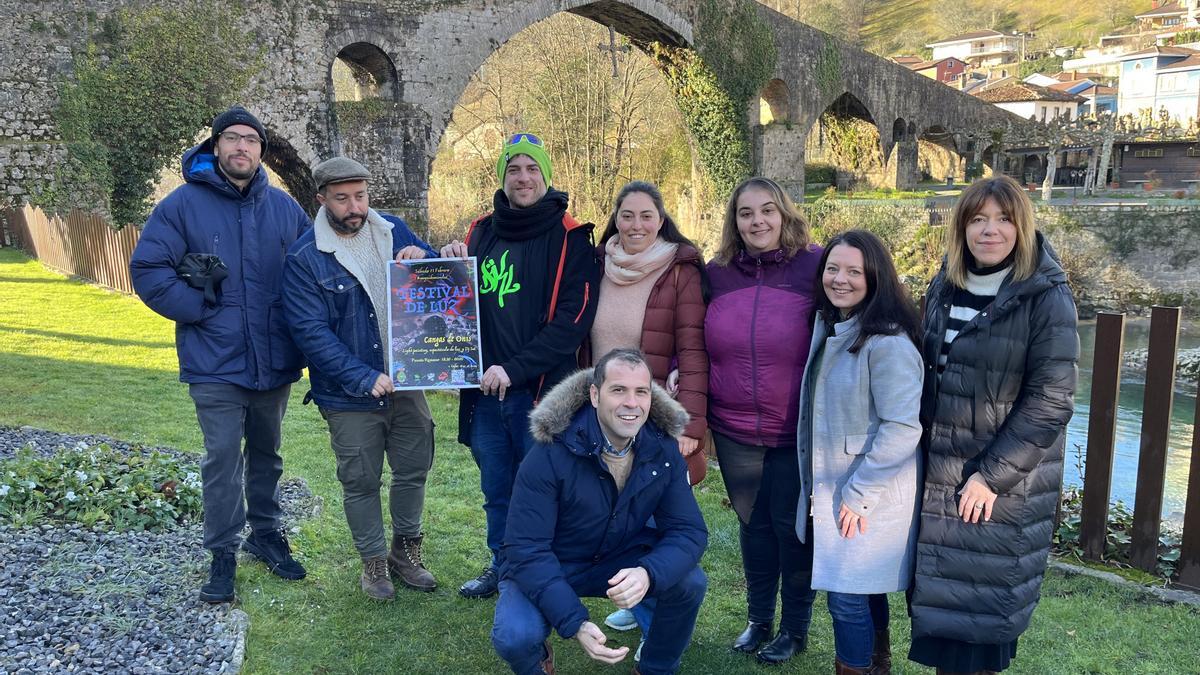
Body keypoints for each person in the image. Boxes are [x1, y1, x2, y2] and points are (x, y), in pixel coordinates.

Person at [130, 105, 310, 602]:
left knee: (268, 454)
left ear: (261, 151)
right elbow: (148, 270)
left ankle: (266, 534)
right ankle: (223, 551)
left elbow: (316, 269)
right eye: (232, 138)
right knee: (223, 457)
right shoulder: (182, 206)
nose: (241, 148)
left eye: (251, 140)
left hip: (272, 359)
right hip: (214, 361)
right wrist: (199, 308)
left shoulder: (284, 210)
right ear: (215, 147)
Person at [908, 175, 1078, 675]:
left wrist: (991, 476)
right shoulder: (947, 284)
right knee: (949, 618)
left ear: (1021, 226)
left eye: (1003, 219)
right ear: (962, 228)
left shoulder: (1045, 298)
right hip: (942, 475)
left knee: (977, 625)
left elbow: (1051, 400)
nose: (990, 230)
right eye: (978, 219)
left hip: (996, 486)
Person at [440, 133, 600, 599]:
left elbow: (573, 323)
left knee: (543, 491)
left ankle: (543, 573)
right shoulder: (480, 232)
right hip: (485, 395)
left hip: (540, 394)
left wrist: (514, 368)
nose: (523, 178)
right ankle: (503, 567)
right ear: (503, 176)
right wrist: (431, 259)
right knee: (497, 490)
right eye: (514, 169)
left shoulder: (570, 237)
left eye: (532, 169)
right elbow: (451, 299)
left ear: (545, 175)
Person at [490, 348, 708, 675]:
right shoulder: (550, 451)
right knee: (514, 636)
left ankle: (656, 668)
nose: (631, 403)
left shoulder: (662, 449)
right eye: (618, 390)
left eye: (641, 392)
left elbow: (689, 531)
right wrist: (575, 622)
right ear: (594, 395)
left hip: (619, 558)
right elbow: (525, 549)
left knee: (690, 581)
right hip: (553, 560)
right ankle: (536, 661)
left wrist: (648, 572)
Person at [281, 157, 438, 600]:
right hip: (349, 394)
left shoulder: (392, 229)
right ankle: (372, 565)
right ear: (321, 199)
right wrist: (363, 376)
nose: (355, 207)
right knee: (361, 480)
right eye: (342, 198)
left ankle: (406, 554)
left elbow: (436, 279)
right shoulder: (305, 257)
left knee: (413, 469)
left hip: (407, 382)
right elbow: (310, 332)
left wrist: (421, 256)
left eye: (361, 196)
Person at [582, 181, 710, 642]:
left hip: (653, 413)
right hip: (601, 413)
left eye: (646, 216)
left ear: (661, 220)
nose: (636, 225)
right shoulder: (597, 264)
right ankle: (636, 602)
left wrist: (689, 422)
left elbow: (693, 348)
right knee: (618, 516)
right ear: (615, 217)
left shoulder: (679, 269)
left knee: (659, 520)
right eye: (627, 215)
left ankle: (658, 633)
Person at [704, 177, 822, 664]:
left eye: (767, 210)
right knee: (753, 528)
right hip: (734, 428)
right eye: (746, 213)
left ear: (785, 213)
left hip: (795, 427)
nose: (758, 221)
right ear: (734, 221)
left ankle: (795, 628)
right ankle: (758, 620)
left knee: (791, 530)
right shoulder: (716, 274)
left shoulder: (814, 266)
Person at [796, 230, 923, 674]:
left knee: (846, 596)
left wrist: (858, 493)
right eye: (832, 268)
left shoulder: (887, 342)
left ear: (875, 277)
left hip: (867, 492)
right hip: (843, 486)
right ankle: (876, 664)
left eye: (854, 271)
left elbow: (903, 428)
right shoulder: (838, 327)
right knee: (860, 588)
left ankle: (857, 667)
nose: (840, 279)